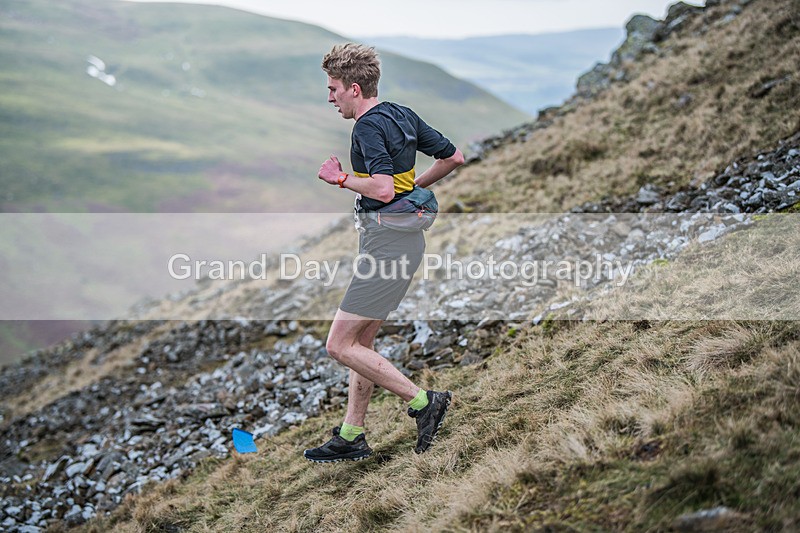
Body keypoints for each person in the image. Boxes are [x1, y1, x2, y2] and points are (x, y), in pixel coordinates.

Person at [304, 43, 465, 463]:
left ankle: (423, 402)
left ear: (354, 88)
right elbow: (453, 157)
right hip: (404, 242)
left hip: (385, 246)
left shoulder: (367, 127)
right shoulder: (402, 113)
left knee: (338, 345)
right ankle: (351, 434)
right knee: (364, 341)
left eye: (334, 88)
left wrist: (339, 178)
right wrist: (414, 191)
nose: (329, 96)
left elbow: (382, 188)